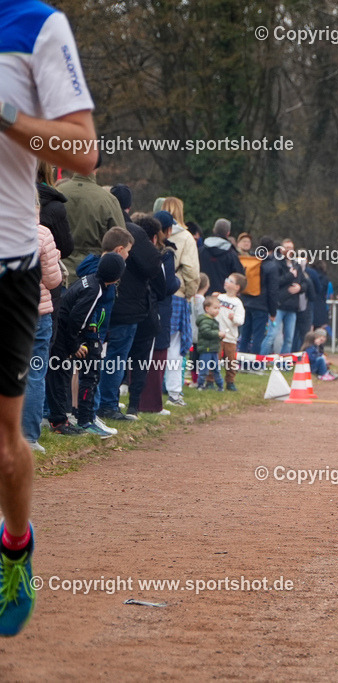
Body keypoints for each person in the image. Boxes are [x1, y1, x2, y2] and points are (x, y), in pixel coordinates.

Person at [0, 0, 101, 634]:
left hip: (8, 264)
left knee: (6, 451)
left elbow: (83, 152)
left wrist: (7, 113)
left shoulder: (35, 24)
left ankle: (14, 546)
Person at [98, 189, 162, 423]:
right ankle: (106, 404)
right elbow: (152, 265)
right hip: (126, 304)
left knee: (90, 353)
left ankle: (81, 405)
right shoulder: (131, 232)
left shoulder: (96, 221)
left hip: (92, 298)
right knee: (116, 356)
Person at [47, 252, 125, 437]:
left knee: (62, 376)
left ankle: (62, 420)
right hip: (62, 334)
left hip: (61, 330)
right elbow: (76, 317)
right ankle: (60, 422)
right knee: (60, 377)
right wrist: (74, 345)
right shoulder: (95, 289)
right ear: (115, 277)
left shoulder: (90, 279)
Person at [126, 215, 178, 416]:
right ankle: (140, 404)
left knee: (120, 354)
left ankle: (112, 402)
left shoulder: (126, 251)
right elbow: (166, 285)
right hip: (151, 309)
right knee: (148, 357)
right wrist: (179, 282)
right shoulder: (161, 255)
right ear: (155, 237)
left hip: (126, 308)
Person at [23, 221, 63, 453]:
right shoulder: (41, 233)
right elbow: (53, 280)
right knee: (34, 374)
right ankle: (28, 436)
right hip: (36, 311)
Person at [161, 199, 200, 406]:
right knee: (175, 346)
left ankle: (146, 390)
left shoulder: (152, 232)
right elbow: (191, 270)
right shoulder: (185, 237)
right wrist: (189, 292)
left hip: (153, 292)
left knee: (150, 345)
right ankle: (174, 392)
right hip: (176, 292)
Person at [237, 236, 279, 355]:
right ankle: (255, 362)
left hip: (246, 301)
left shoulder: (252, 260)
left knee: (245, 335)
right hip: (261, 305)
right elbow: (273, 291)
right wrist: (273, 312)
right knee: (258, 336)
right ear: (272, 249)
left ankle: (242, 360)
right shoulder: (271, 265)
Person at [217, 273, 246, 391]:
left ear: (237, 287)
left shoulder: (237, 303)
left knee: (230, 361)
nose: (226, 281)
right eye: (227, 279)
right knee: (214, 359)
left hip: (230, 337)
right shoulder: (219, 297)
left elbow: (241, 320)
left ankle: (230, 382)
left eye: (230, 281)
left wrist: (233, 318)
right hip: (217, 335)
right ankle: (210, 380)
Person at [198, 218, 243, 290]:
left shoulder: (200, 251)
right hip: (224, 294)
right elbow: (239, 277)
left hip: (202, 292)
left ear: (214, 230)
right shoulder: (231, 254)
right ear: (228, 233)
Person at [195, 296, 225, 391]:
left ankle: (220, 385)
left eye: (218, 308)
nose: (217, 310)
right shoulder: (205, 320)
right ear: (207, 309)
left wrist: (220, 336)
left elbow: (212, 335)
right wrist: (217, 333)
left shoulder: (214, 321)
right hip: (206, 349)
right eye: (215, 308)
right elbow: (206, 332)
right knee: (204, 368)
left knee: (216, 369)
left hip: (214, 349)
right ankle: (200, 385)